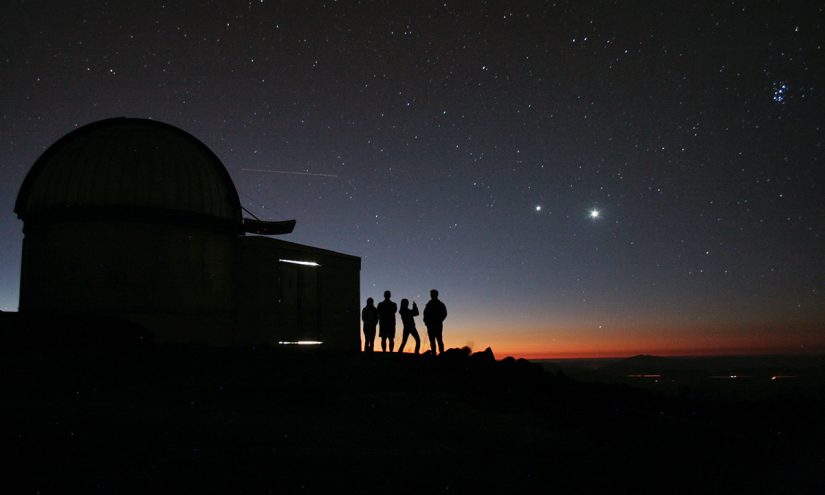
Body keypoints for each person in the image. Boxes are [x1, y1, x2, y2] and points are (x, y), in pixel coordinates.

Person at [423, 289, 447, 355]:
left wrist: (439, 320)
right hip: (431, 325)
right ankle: (435, 353)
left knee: (439, 340)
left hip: (436, 325)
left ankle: (441, 353)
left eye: (433, 294)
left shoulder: (439, 304)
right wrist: (426, 322)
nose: (431, 295)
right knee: (433, 341)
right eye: (431, 294)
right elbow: (425, 314)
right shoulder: (429, 304)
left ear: (436, 295)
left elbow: (444, 313)